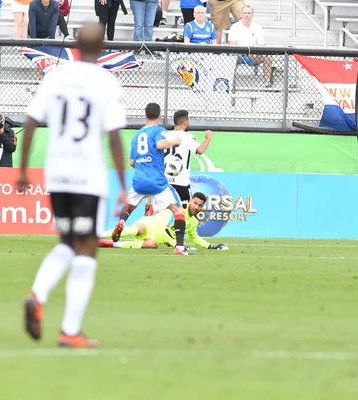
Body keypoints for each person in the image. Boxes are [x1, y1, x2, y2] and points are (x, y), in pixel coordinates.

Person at [16, 22, 128, 348]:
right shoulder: (107, 82)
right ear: (104, 47)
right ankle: (70, 330)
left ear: (76, 44)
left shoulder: (56, 76)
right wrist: (122, 183)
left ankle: (37, 294)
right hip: (89, 176)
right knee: (87, 248)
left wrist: (23, 170)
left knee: (67, 241)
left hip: (58, 174)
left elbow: (31, 121)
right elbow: (114, 137)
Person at [110, 102, 190, 256]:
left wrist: (143, 166)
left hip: (139, 179)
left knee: (129, 205)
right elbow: (160, 144)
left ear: (145, 115)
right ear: (160, 116)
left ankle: (121, 222)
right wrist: (174, 141)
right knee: (178, 210)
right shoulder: (159, 130)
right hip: (157, 181)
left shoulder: (136, 135)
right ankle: (179, 247)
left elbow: (132, 162)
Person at [99, 192, 228, 251]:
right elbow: (163, 231)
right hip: (148, 224)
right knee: (138, 230)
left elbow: (194, 237)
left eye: (200, 205)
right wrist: (177, 245)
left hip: (154, 238)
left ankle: (110, 244)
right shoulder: (178, 211)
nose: (196, 207)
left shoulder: (193, 222)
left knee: (152, 245)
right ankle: (98, 234)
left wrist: (209, 246)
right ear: (190, 201)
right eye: (195, 203)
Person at [165, 110, 213, 203]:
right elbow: (200, 150)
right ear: (185, 122)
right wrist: (208, 138)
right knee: (183, 214)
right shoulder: (187, 136)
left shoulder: (165, 136)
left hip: (164, 183)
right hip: (181, 183)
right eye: (189, 121)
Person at [228, 6, 273, 87]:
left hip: (254, 55)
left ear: (252, 15)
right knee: (232, 58)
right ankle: (230, 82)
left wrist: (255, 53)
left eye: (249, 13)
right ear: (241, 15)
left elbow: (262, 45)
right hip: (239, 55)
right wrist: (246, 53)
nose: (246, 15)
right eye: (244, 13)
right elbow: (232, 46)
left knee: (268, 57)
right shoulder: (234, 27)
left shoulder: (257, 27)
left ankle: (267, 83)